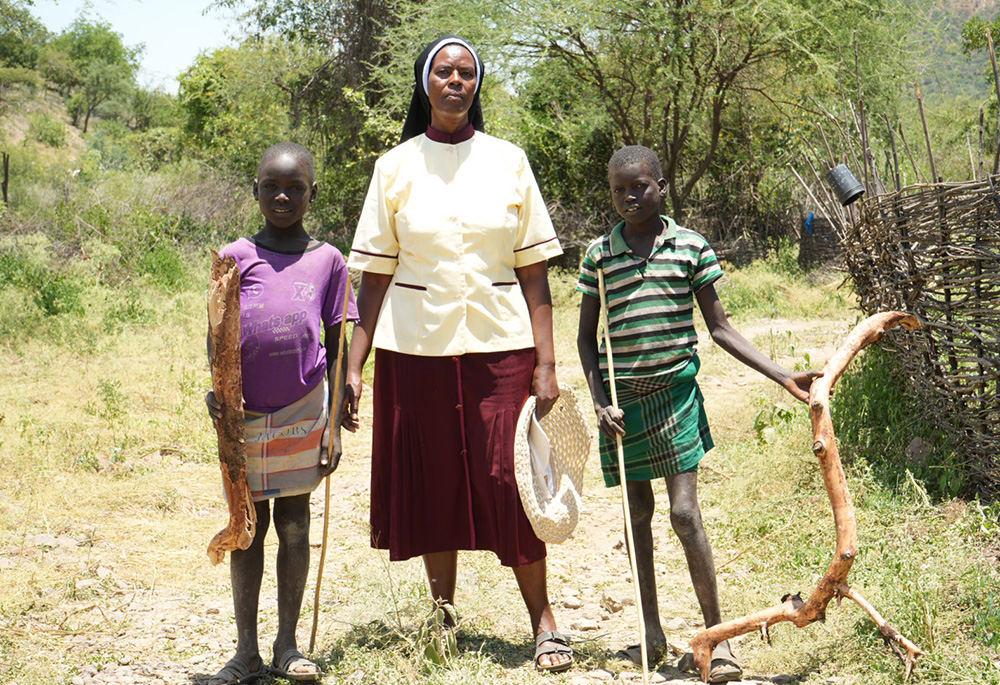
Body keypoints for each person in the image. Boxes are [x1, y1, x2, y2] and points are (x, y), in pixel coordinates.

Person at [342, 35, 573, 673]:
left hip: (502, 348)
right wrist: (354, 365)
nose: (454, 81)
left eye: (466, 73)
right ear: (424, 82)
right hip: (414, 350)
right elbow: (375, 278)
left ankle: (542, 619)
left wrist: (547, 363)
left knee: (514, 478)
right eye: (443, 72)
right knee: (433, 476)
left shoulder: (509, 161)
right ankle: (443, 617)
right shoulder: (394, 167)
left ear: (477, 85)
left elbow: (534, 272)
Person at [576, 145, 817, 683]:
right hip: (624, 406)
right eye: (619, 189)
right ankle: (651, 631)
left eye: (639, 185)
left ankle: (717, 638)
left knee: (684, 514)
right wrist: (598, 401)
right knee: (637, 515)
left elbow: (721, 328)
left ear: (662, 186)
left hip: (676, 397)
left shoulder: (690, 247)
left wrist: (783, 375)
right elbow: (586, 339)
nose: (630, 196)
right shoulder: (600, 256)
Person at [205, 142, 358, 685]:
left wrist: (337, 418)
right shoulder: (234, 257)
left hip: (303, 410)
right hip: (243, 416)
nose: (283, 195)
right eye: (272, 186)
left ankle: (288, 646)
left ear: (312, 193)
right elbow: (217, 334)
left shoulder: (329, 260)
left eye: (295, 187)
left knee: (294, 526)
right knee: (247, 529)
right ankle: (244, 652)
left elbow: (340, 342)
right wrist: (218, 397)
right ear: (256, 191)